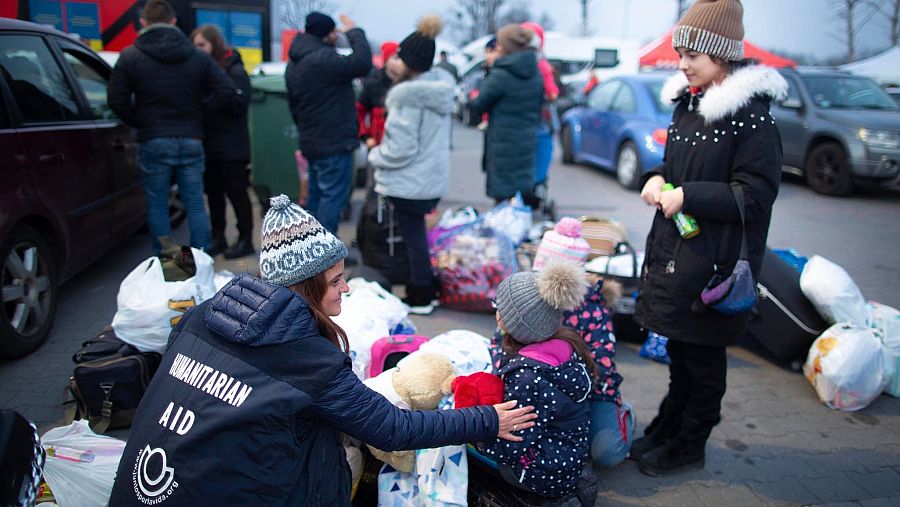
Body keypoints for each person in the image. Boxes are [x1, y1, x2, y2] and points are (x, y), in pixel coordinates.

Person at [108, 195, 537, 505]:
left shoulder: (199, 317)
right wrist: (486, 419)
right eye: (335, 281)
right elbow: (393, 429)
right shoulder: (309, 363)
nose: (347, 288)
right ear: (304, 288)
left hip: (142, 486)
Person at [632, 0, 786, 477]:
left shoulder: (752, 118)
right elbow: (677, 170)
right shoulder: (688, 103)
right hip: (678, 253)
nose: (682, 63)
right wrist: (657, 178)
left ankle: (690, 444)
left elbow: (755, 196)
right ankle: (668, 425)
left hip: (713, 265)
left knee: (702, 361)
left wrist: (688, 196)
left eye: (692, 54)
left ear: (722, 55)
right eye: (681, 53)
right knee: (679, 350)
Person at [488, 217, 635, 468]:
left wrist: (558, 385)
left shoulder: (593, 311)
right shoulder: (527, 301)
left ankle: (624, 415)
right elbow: (498, 342)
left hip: (585, 392)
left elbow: (602, 367)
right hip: (540, 387)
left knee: (606, 453)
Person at [108, 0, 237, 255]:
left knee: (157, 205)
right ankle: (201, 261)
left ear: (143, 23)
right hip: (190, 137)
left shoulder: (131, 56)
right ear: (174, 21)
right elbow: (225, 90)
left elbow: (116, 100)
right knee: (196, 204)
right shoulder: (197, 56)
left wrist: (142, 121)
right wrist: (198, 112)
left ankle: (169, 266)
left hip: (154, 138)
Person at [478, 261, 598, 503]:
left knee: (465, 449)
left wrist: (474, 432)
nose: (496, 312)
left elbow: (510, 445)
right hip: (569, 461)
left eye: (500, 307)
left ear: (514, 322)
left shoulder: (527, 377)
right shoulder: (567, 347)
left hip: (541, 473)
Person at [368, 17, 454, 314]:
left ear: (410, 62)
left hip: (410, 180)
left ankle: (422, 293)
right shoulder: (437, 90)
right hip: (427, 178)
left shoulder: (408, 98)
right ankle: (424, 286)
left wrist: (374, 156)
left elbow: (400, 149)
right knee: (417, 234)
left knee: (414, 236)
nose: (395, 62)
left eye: (399, 57)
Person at [286, 12, 372, 235]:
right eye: (333, 31)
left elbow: (294, 106)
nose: (337, 35)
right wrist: (354, 31)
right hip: (333, 144)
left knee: (315, 199)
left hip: (313, 142)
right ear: (325, 34)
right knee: (332, 200)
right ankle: (327, 259)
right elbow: (362, 63)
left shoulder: (295, 62)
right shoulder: (323, 59)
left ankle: (314, 253)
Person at [190, 24, 254, 259]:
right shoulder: (200, 71)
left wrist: (213, 97)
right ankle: (218, 236)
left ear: (214, 45)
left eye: (202, 45)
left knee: (237, 194)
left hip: (232, 147)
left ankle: (245, 238)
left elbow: (240, 103)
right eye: (195, 45)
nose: (198, 50)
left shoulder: (234, 71)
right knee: (214, 195)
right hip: (209, 145)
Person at [469, 24, 543, 203]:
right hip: (527, 140)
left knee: (502, 198)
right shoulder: (535, 72)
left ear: (506, 47)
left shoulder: (501, 74)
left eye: (500, 44)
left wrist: (473, 96)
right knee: (519, 196)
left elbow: (479, 105)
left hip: (503, 143)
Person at [356, 41, 398, 150]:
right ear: (386, 61)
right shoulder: (373, 83)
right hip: (377, 147)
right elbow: (358, 112)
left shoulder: (408, 84)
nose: (400, 62)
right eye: (395, 58)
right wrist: (365, 136)